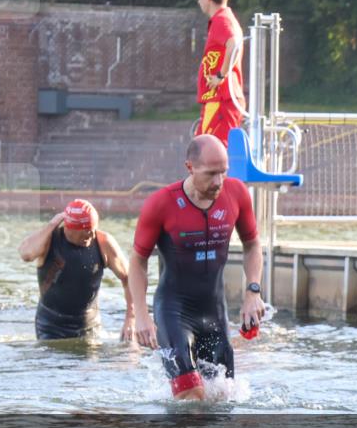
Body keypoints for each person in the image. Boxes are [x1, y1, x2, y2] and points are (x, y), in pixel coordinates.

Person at [130, 135, 264, 401]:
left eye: (223, 172)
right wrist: (141, 315)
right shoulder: (162, 203)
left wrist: (253, 292)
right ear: (190, 167)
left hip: (214, 312)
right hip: (174, 311)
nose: (218, 181)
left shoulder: (236, 193)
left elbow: (252, 244)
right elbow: (137, 261)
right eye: (211, 174)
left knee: (222, 397)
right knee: (190, 395)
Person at [18, 199, 135, 341]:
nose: (91, 235)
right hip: (50, 326)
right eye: (87, 231)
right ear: (69, 228)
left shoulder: (103, 243)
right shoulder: (50, 240)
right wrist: (52, 224)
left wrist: (131, 317)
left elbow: (129, 278)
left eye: (93, 230)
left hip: (89, 325)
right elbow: (25, 254)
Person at [195, 0, 246, 147]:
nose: (198, 1)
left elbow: (234, 45)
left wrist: (220, 75)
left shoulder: (221, 20)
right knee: (205, 152)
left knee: (207, 153)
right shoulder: (223, 19)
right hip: (220, 100)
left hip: (220, 100)